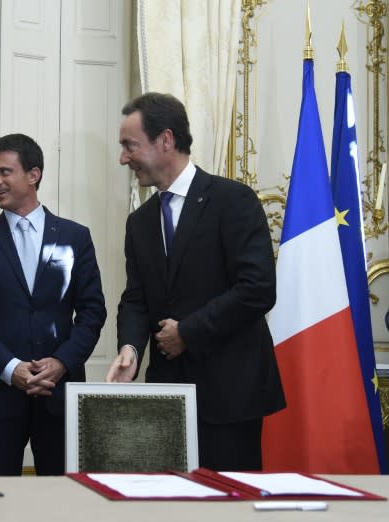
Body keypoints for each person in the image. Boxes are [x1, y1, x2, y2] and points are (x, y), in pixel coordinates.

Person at [106, 92, 286, 471]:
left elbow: (257, 290)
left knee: (229, 507)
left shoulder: (233, 200)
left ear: (166, 140)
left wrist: (188, 331)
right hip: (167, 395)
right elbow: (136, 298)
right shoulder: (139, 222)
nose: (123, 157)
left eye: (129, 146)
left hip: (230, 393)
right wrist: (130, 349)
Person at [0, 133, 106, 476]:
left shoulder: (75, 237)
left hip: (59, 396)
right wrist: (10, 368)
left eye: (4, 172)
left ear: (33, 175)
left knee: (61, 499)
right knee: (0, 499)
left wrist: (62, 362)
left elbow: (93, 311)